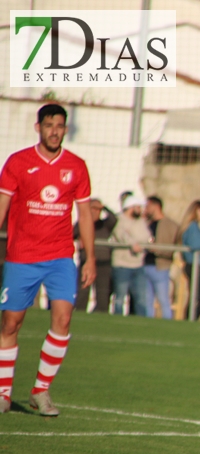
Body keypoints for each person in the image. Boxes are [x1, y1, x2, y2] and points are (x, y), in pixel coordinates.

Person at [0, 103, 94, 416]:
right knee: (11, 322)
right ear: (38, 127)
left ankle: (40, 390)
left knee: (63, 319)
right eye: (49, 125)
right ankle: (3, 392)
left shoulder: (77, 166)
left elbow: (85, 216)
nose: (54, 131)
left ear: (66, 129)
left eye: (60, 126)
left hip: (60, 257)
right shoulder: (18, 162)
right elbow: (2, 206)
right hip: (22, 256)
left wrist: (90, 258)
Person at [107, 195, 149, 316]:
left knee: (140, 297)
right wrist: (132, 243)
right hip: (122, 264)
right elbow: (122, 236)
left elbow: (145, 237)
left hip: (138, 265)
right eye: (138, 207)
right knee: (120, 296)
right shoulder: (119, 220)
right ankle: (117, 318)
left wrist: (135, 241)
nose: (140, 209)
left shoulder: (140, 221)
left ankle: (141, 320)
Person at [73, 198, 116, 313]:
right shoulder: (81, 224)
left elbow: (114, 219)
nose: (95, 212)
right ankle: (80, 312)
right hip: (85, 261)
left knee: (102, 292)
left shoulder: (105, 225)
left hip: (103, 263)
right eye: (93, 209)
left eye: (98, 210)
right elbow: (72, 233)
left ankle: (101, 314)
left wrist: (104, 207)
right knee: (83, 291)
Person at [141, 196, 179, 320]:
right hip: (145, 265)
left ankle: (167, 322)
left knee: (163, 299)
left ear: (156, 206)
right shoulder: (147, 223)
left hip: (160, 266)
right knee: (147, 300)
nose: (146, 209)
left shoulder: (170, 225)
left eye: (148, 206)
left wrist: (158, 249)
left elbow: (175, 244)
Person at [179, 200, 200, 320]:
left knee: (196, 296)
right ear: (198, 211)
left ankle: (189, 319)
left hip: (194, 265)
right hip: (193, 265)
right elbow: (196, 244)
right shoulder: (193, 226)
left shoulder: (192, 226)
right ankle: (189, 319)